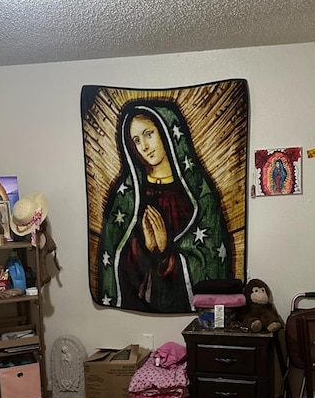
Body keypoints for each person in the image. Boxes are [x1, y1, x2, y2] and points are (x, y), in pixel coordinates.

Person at [97, 100, 232, 312]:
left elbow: (209, 257)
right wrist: (144, 248)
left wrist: (168, 251)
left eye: (149, 134)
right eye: (136, 140)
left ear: (167, 133)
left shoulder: (198, 193)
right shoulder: (128, 195)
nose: (144, 146)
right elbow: (115, 257)